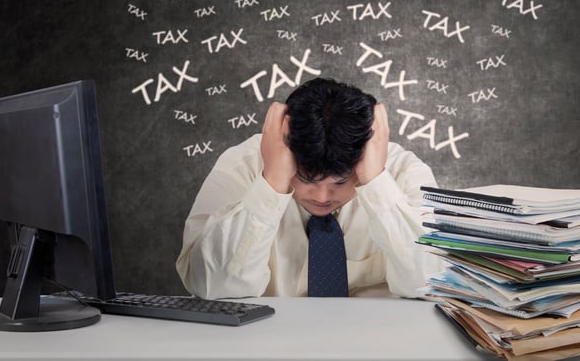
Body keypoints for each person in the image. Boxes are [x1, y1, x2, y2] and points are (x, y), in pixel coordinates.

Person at [176, 78, 443, 299]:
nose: (322, 197)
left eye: (339, 182)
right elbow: (211, 287)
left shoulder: (403, 172)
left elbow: (431, 283)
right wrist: (272, 182)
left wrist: (375, 181)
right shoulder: (241, 167)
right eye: (305, 179)